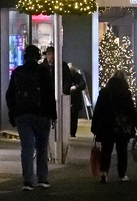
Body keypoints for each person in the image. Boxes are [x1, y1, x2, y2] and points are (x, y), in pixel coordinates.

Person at [5, 45, 56, 191]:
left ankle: (27, 181)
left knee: (27, 148)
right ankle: (43, 179)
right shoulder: (43, 71)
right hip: (42, 115)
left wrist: (13, 114)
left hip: (23, 115)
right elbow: (49, 95)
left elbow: (10, 95)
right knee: (42, 147)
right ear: (38, 56)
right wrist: (53, 116)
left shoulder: (17, 72)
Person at [91, 71, 137, 183]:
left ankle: (104, 173)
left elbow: (98, 111)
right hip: (121, 127)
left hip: (106, 125)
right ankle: (122, 175)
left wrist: (94, 127)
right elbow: (131, 112)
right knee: (122, 151)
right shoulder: (125, 93)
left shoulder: (104, 92)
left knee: (106, 150)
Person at [67, 64, 87, 137]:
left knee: (73, 118)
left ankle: (72, 132)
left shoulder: (77, 76)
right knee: (74, 118)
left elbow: (83, 85)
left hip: (74, 100)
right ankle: (72, 133)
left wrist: (75, 87)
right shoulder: (78, 76)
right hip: (74, 99)